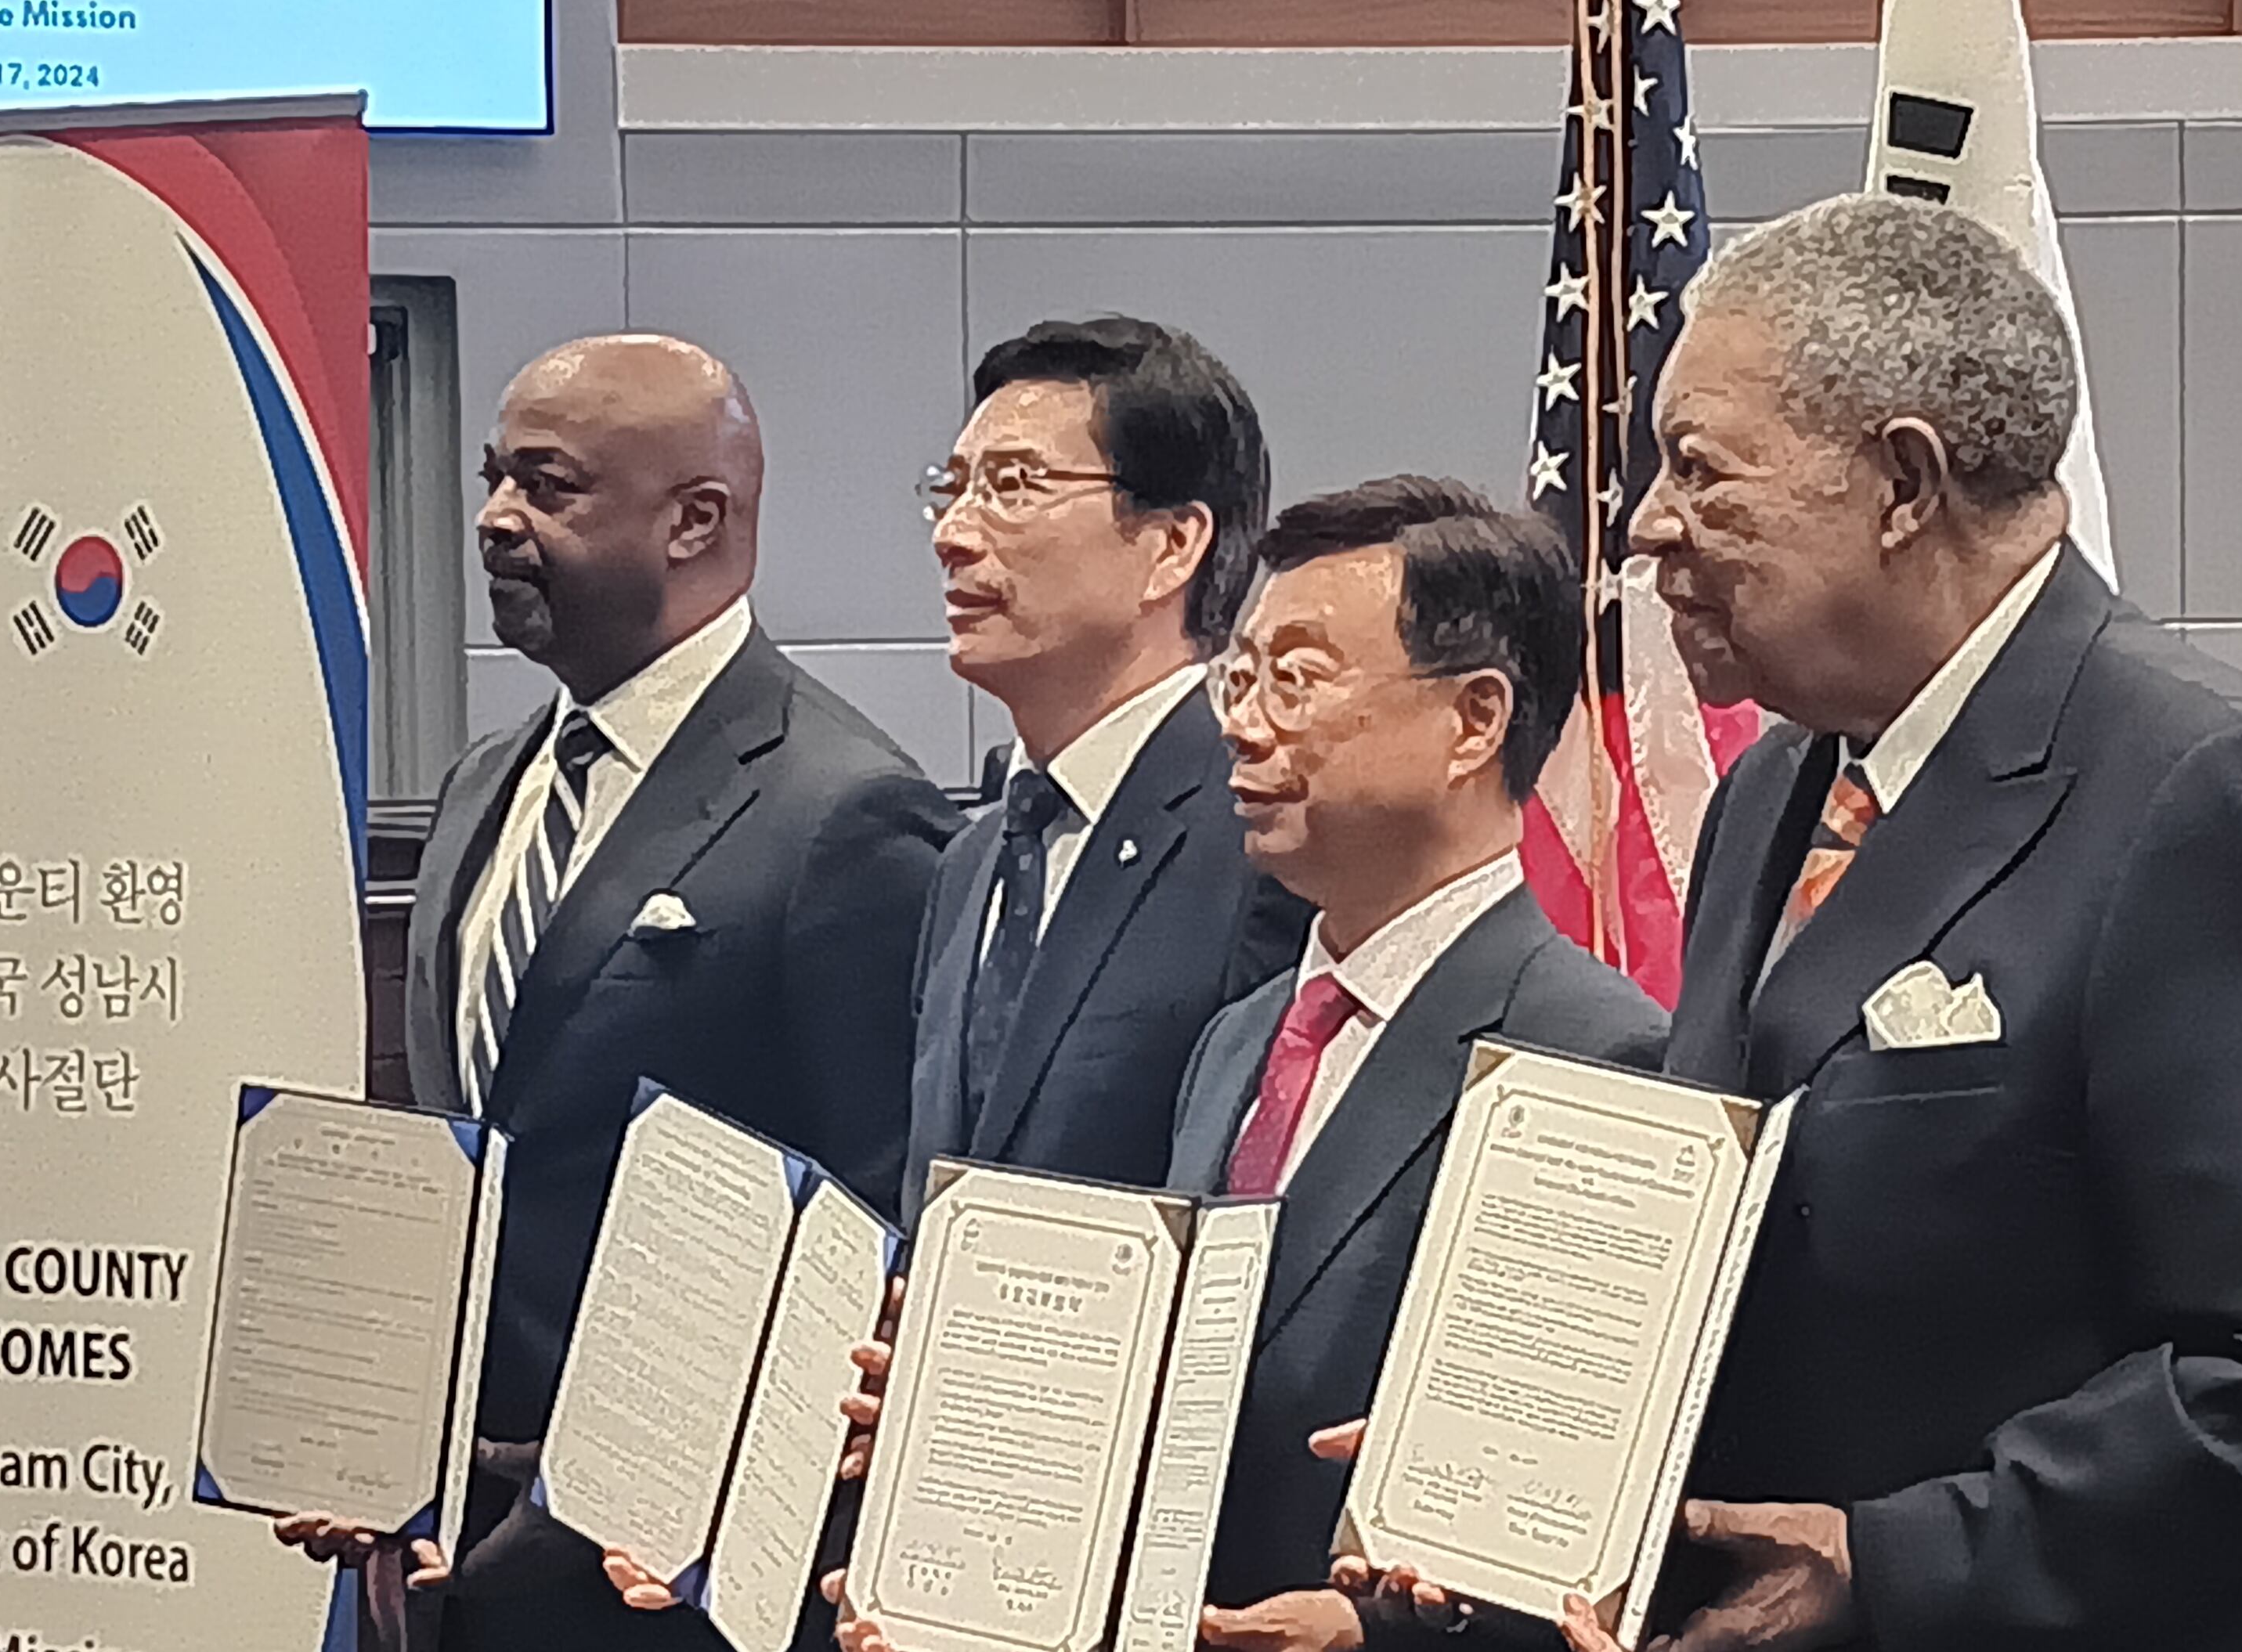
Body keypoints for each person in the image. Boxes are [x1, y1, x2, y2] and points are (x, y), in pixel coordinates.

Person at [1365, 194, 2242, 1652]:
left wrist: (1899, 1558)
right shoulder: (1775, 788)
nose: (1646, 524)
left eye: (1699, 468)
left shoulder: (2202, 790)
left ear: (1904, 484)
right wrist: (1523, 1446)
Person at [807, 478, 1668, 1652]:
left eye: (1299, 679)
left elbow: (1584, 1509)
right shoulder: (1243, 1035)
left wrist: (1376, 1635)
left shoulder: (1589, 1050)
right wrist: (969, 1426)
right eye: (1241, 676)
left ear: (1475, 720)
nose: (1245, 724)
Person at [278, 334, 960, 1652]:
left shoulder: (844, 813)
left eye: (549, 486)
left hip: (658, 1580)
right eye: (493, 479)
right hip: (427, 1551)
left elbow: (867, 1224)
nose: (493, 520)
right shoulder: (488, 786)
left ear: (695, 520)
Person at [901, 317, 1310, 1219]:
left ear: (1171, 545)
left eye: (1013, 487)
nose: (954, 535)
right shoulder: (974, 862)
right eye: (954, 489)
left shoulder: (1265, 827)